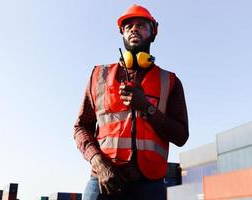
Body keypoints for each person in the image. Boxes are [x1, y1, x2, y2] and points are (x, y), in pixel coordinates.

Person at [74, 4, 189, 200]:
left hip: (149, 185)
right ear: (122, 34)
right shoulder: (98, 75)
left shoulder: (170, 82)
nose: (134, 29)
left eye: (141, 25)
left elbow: (181, 136)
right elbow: (81, 127)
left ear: (154, 33)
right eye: (128, 26)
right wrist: (97, 161)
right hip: (104, 180)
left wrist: (147, 108)